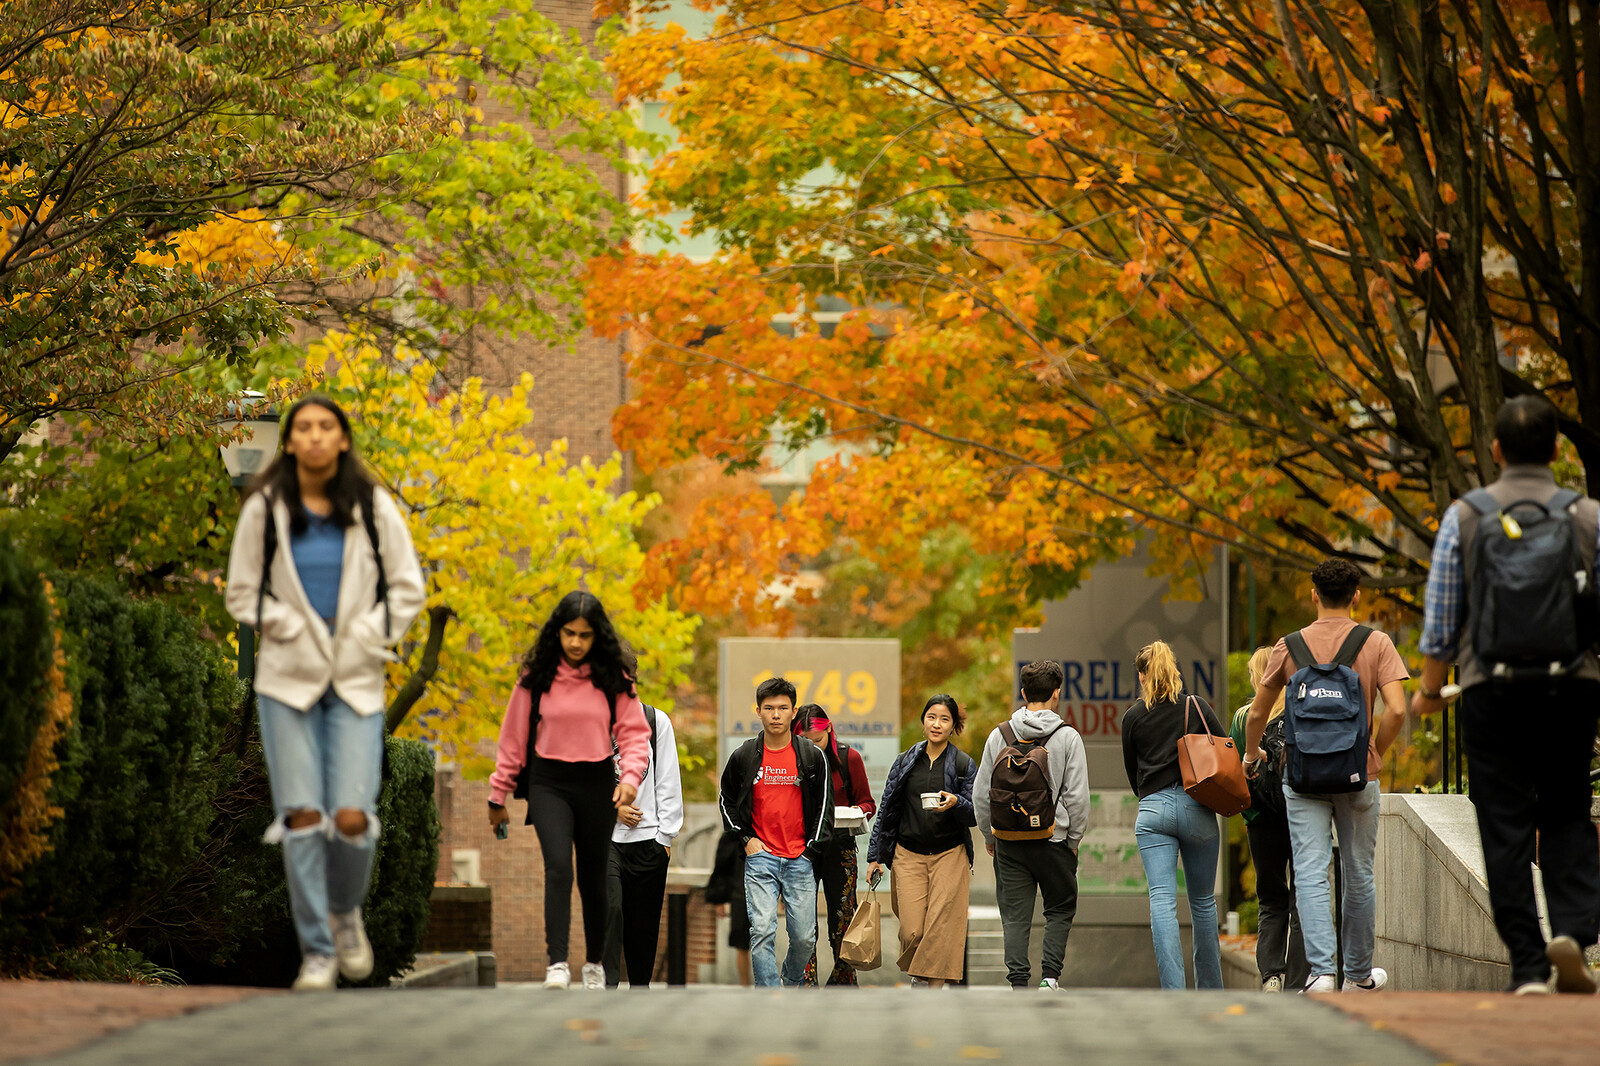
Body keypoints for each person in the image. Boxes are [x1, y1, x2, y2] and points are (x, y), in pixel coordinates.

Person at [224, 395, 426, 992]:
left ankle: (344, 913)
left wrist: (369, 632)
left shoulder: (371, 505)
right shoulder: (266, 506)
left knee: (351, 816)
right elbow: (241, 594)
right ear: (289, 442)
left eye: (326, 427)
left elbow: (408, 589)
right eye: (303, 428)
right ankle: (316, 950)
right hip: (288, 681)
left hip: (356, 681)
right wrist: (284, 623)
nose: (314, 437)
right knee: (304, 817)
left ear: (342, 439)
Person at [1413, 396, 1600, 995]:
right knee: (1568, 804)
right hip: (1570, 685)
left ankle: (1526, 962)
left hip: (1489, 688)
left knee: (1502, 823)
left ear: (1495, 451)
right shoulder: (1588, 517)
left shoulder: (1465, 516)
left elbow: (1442, 620)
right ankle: (1572, 929)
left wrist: (1426, 690)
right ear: (1555, 450)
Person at [1244, 559, 1410, 993]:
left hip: (1302, 777)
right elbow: (1397, 709)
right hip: (1358, 775)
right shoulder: (1376, 643)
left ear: (1313, 594)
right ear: (1357, 595)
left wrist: (1251, 753)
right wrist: (1373, 753)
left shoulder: (1289, 645)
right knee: (1359, 873)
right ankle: (1358, 975)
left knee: (1311, 870)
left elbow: (1259, 711)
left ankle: (1320, 973)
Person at [488, 591, 652, 990]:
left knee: (593, 877)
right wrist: (498, 795)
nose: (576, 643)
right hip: (549, 782)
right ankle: (557, 963)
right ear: (556, 632)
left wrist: (630, 778)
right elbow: (513, 738)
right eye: (568, 633)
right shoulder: (536, 678)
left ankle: (594, 961)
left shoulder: (613, 677)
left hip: (596, 781)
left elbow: (634, 734)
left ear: (598, 636)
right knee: (559, 866)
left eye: (584, 635)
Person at [974, 660, 1090, 990]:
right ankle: (1050, 978)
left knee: (1014, 915)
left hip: (1009, 841)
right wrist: (1073, 839)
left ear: (1023, 694)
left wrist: (989, 835)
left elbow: (981, 792)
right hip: (1054, 839)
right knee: (1060, 908)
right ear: (1057, 694)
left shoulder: (999, 735)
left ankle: (1017, 983)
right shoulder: (1068, 737)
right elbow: (1078, 797)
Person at [1121, 640, 1226, 990]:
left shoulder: (1133, 717)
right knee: (1203, 903)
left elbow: (1132, 771)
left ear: (1141, 675)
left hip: (1152, 811)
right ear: (1175, 670)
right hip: (1197, 808)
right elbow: (1223, 752)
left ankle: (1174, 994)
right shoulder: (1197, 707)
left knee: (1162, 903)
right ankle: (1210, 990)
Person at [718, 677, 834, 987]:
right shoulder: (745, 755)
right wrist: (745, 839)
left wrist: (811, 849)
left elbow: (825, 807)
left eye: (783, 708)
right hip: (761, 857)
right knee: (762, 931)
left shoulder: (811, 755)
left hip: (800, 857)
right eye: (769, 708)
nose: (776, 715)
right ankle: (769, 995)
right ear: (758, 711)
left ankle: (791, 983)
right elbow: (726, 798)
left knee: (804, 937)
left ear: (794, 711)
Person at [867, 694, 977, 988]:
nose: (937, 724)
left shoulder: (964, 764)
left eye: (944, 719)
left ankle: (931, 996)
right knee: (912, 931)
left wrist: (957, 803)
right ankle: (919, 973)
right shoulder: (905, 761)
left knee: (941, 928)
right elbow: (887, 809)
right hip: (908, 854)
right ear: (923, 721)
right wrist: (875, 856)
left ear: (953, 725)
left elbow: (977, 813)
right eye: (932, 717)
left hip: (949, 854)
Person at [602, 643, 684, 989]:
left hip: (649, 841)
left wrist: (665, 839)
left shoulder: (655, 721)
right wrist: (613, 807)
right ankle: (604, 985)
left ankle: (639, 990)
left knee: (643, 926)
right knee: (612, 910)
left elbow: (668, 780)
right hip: (605, 840)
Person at [1229, 647, 1309, 993]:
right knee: (1302, 899)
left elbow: (1235, 772)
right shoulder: (1300, 711)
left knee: (1270, 898)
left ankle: (1271, 976)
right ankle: (1298, 980)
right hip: (1299, 815)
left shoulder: (1244, 717)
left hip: (1261, 819)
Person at [793, 704, 876, 986]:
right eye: (805, 741)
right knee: (803, 921)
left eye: (817, 740)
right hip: (803, 849)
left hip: (839, 846)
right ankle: (806, 979)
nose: (812, 747)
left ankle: (843, 979)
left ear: (829, 729)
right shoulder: (792, 759)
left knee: (842, 918)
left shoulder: (848, 757)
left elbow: (867, 802)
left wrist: (856, 812)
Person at [704, 829, 753, 986]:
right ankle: (745, 986)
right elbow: (722, 866)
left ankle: (761, 985)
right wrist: (719, 899)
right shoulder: (731, 834)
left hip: (760, 891)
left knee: (763, 942)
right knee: (741, 944)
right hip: (740, 893)